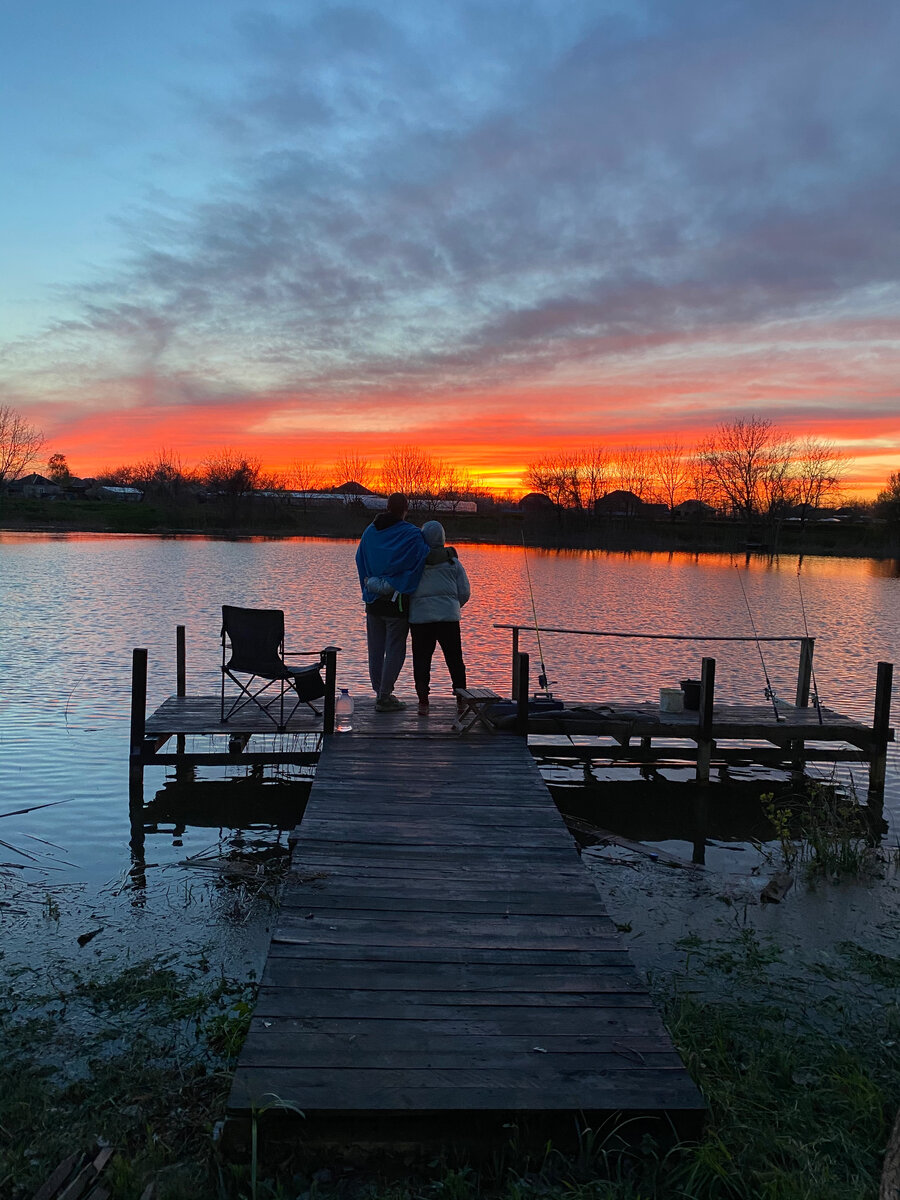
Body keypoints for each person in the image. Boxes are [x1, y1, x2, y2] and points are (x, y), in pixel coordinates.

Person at [355, 493, 428, 712]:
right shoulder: (413, 535)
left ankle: (379, 691)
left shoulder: (370, 532)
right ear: (406, 509)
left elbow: (360, 559)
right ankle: (384, 696)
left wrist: (370, 584)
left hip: (374, 601)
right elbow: (421, 560)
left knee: (375, 650)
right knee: (395, 649)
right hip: (397, 604)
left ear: (387, 507)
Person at [408, 520, 471, 716]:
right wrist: (452, 607)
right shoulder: (454, 563)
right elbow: (465, 592)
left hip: (420, 620)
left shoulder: (415, 562)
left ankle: (423, 702)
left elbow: (406, 588)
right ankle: (461, 700)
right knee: (454, 659)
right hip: (448, 619)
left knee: (421, 660)